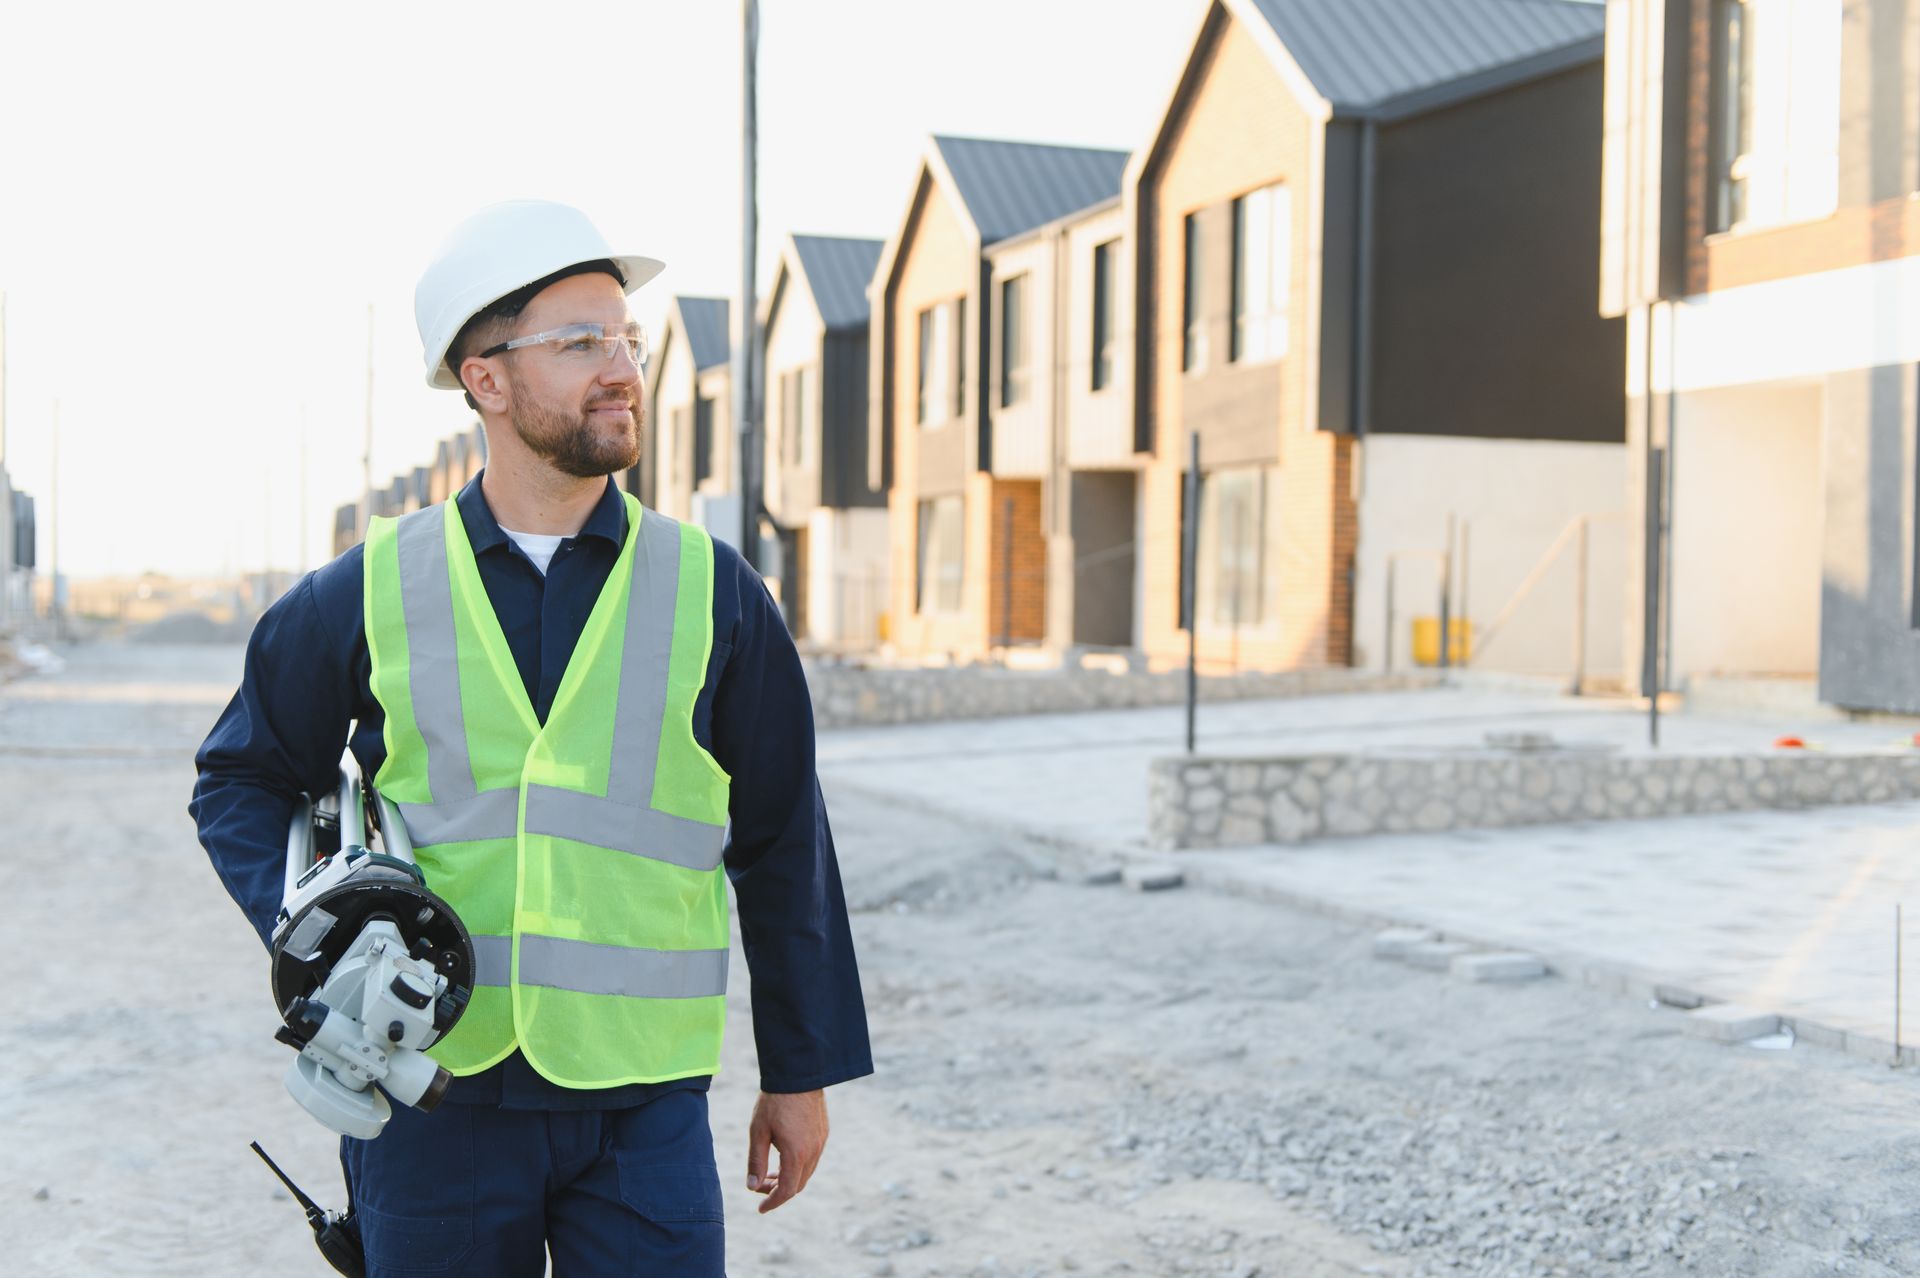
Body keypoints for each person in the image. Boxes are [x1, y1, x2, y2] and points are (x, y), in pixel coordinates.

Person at [190, 199, 872, 1276]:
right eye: (580, 342)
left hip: (643, 1105)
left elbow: (785, 839)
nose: (622, 367)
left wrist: (801, 1071)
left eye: (626, 339)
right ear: (487, 380)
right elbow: (240, 776)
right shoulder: (368, 589)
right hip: (432, 1095)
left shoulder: (716, 593)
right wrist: (316, 938)